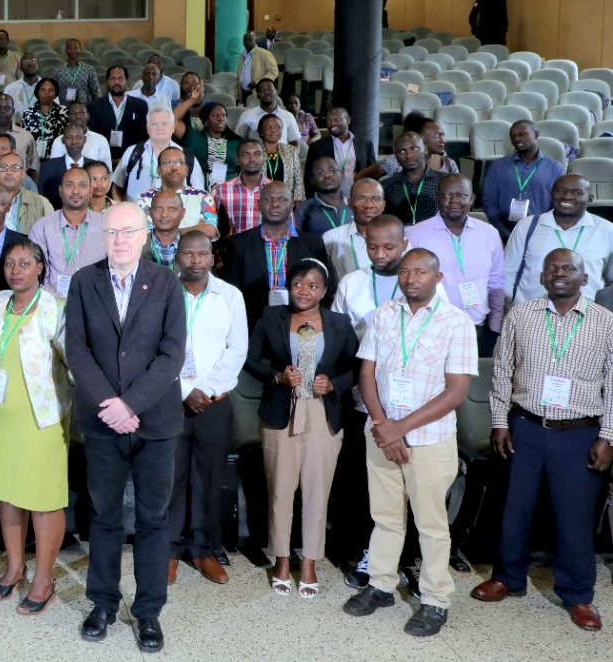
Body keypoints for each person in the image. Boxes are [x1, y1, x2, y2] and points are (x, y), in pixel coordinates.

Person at [67, 205, 185, 653]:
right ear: (103, 235)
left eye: (128, 231)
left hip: (154, 421)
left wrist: (131, 404)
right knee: (104, 516)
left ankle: (148, 611)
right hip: (102, 423)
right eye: (112, 231)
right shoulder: (84, 282)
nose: (119, 239)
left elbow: (172, 355)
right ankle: (102, 603)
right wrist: (111, 407)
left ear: (144, 235)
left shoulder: (167, 282)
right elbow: (78, 350)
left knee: (154, 519)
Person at [476, 248, 613, 632]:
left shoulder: (606, 323)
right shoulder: (522, 314)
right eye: (551, 267)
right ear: (541, 277)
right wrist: (500, 422)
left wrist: (609, 436)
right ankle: (508, 577)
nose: (558, 273)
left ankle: (578, 594)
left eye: (568, 268)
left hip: (579, 433)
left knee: (574, 517)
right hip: (525, 427)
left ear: (584, 279)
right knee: (514, 509)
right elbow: (502, 370)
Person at [343, 248, 474, 636]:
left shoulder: (457, 323)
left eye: (420, 272)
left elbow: (456, 392)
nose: (411, 278)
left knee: (431, 524)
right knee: (385, 517)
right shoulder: (384, 316)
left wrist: (400, 428)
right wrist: (383, 424)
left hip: (429, 440)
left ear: (438, 277)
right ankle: (382, 584)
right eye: (405, 271)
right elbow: (366, 373)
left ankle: (435, 599)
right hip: (381, 434)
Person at [245, 255, 359, 600]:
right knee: (280, 491)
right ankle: (281, 560)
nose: (304, 291)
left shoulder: (339, 323)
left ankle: (309, 561)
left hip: (323, 415)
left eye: (312, 285)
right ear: (288, 286)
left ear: (324, 290)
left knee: (316, 491)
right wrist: (277, 376)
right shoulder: (271, 317)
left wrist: (335, 385)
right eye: (297, 284)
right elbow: (249, 359)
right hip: (282, 413)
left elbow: (357, 368)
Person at [0, 239, 68, 614]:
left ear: (40, 268)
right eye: (10, 263)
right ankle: (15, 566)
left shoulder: (56, 309)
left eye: (25, 263)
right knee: (8, 492)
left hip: (41, 419)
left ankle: (44, 578)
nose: (16, 270)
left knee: (43, 499)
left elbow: (75, 364)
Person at [167, 231, 247, 584]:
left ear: (213, 258)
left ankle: (202, 550)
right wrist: (185, 389)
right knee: (170, 478)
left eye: (202, 254)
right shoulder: (162, 293)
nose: (195, 260)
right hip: (170, 400)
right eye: (188, 254)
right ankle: (168, 549)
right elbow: (154, 347)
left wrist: (206, 389)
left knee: (210, 478)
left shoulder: (230, 296)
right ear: (178, 257)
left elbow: (237, 350)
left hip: (214, 402)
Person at [407, 175, 506, 356]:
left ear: (472, 199)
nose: (454, 201)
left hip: (480, 328)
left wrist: (495, 326)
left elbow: (496, 283)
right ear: (437, 197)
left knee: (477, 384)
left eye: (461, 195)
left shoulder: (490, 234)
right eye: (447, 195)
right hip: (432, 330)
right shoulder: (415, 235)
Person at [221, 181, 332, 329]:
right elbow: (230, 292)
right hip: (252, 326)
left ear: (292, 205)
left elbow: (326, 288)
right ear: (259, 204)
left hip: (302, 326)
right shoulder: (239, 244)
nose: (275, 204)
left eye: (282, 199)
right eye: (268, 199)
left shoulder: (312, 244)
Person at [502, 174, 613, 304]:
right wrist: (514, 309)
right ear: (551, 194)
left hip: (586, 318)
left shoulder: (607, 230)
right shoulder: (527, 226)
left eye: (577, 192)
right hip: (530, 316)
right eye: (560, 191)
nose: (567, 196)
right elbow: (507, 272)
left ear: (590, 199)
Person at [479, 120, 566, 240]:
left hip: (543, 234)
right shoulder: (497, 166)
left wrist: (543, 232)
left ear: (536, 135)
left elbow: (558, 205)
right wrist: (503, 233)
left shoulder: (555, 168)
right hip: (504, 232)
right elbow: (489, 203)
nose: (517, 139)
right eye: (513, 136)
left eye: (522, 134)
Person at [28, 167, 106, 298]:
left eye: (82, 185)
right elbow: (37, 273)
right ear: (60, 190)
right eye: (69, 185)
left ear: (91, 191)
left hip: (97, 303)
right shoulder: (42, 227)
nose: (75, 191)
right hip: (53, 305)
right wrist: (56, 303)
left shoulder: (107, 226)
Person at [114, 109, 208, 201]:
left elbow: (198, 195)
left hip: (176, 216)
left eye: (164, 123)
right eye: (154, 124)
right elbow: (116, 188)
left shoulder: (187, 157)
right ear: (147, 128)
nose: (159, 128)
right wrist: (122, 210)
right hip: (136, 215)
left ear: (173, 127)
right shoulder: (132, 152)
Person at [137, 147, 219, 240]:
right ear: (158, 170)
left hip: (193, 253)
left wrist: (164, 233)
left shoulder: (203, 197)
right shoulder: (144, 199)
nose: (174, 168)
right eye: (168, 163)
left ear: (187, 170)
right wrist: (196, 229)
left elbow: (210, 231)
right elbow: (146, 235)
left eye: (179, 163)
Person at [0, 153, 51, 234]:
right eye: (3, 167)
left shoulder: (42, 204)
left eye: (15, 168)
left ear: (23, 173)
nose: (9, 172)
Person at [380, 132, 451, 225]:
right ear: (395, 156)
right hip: (400, 237)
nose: (408, 155)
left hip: (436, 236)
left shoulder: (445, 181)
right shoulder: (386, 185)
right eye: (402, 151)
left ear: (425, 149)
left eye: (414, 149)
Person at [38, 121, 111, 203]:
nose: (74, 141)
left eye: (78, 137)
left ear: (84, 140)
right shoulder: (48, 167)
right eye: (69, 137)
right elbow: (42, 198)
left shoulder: (93, 167)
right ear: (63, 140)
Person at [325, 179, 386, 276]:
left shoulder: (397, 238)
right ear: (349, 203)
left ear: (383, 205)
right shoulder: (331, 238)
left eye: (376, 198)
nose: (369, 205)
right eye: (361, 198)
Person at [88, 66, 150, 162]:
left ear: (126, 81)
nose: (117, 82)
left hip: (132, 160)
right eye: (113, 78)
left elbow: (144, 136)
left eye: (120, 78)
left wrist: (133, 158)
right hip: (102, 160)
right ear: (107, 81)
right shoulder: (95, 106)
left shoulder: (140, 105)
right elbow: (93, 137)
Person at [213, 139, 271, 236]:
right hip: (232, 249)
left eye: (257, 154)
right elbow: (210, 227)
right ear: (237, 160)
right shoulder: (220, 191)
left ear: (264, 159)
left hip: (267, 249)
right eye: (246, 155)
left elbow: (289, 228)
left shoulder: (276, 191)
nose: (252, 159)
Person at [306, 108, 377, 184]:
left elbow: (373, 172)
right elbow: (309, 177)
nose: (332, 123)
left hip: (358, 192)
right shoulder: (317, 147)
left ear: (348, 120)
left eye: (336, 120)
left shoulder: (365, 144)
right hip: (329, 194)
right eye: (328, 121)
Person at [182, 102, 238, 186]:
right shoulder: (194, 137)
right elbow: (173, 119)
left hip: (230, 189)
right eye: (215, 116)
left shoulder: (236, 141)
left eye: (223, 115)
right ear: (206, 121)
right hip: (201, 186)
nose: (221, 119)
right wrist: (192, 99)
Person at [235, 79, 303, 147]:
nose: (266, 92)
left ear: (276, 92)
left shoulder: (288, 116)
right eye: (262, 90)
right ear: (258, 95)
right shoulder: (247, 115)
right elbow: (237, 141)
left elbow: (295, 143)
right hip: (256, 155)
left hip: (282, 155)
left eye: (270, 89)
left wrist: (290, 157)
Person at [255, 115, 306, 204]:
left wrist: (298, 199)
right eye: (268, 127)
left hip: (286, 200)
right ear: (261, 131)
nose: (273, 130)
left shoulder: (291, 150)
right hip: (260, 199)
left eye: (277, 127)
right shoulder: (254, 151)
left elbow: (298, 177)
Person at [296, 157, 350, 235]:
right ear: (312, 180)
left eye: (332, 171)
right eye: (320, 172)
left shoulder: (355, 204)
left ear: (342, 175)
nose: (327, 175)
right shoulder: (302, 211)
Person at [22, 78, 68, 160]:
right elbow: (24, 138)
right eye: (43, 89)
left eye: (51, 90)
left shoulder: (64, 112)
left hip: (58, 156)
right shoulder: (28, 113)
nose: (47, 92)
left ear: (55, 93)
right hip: (33, 157)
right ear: (37, 93)